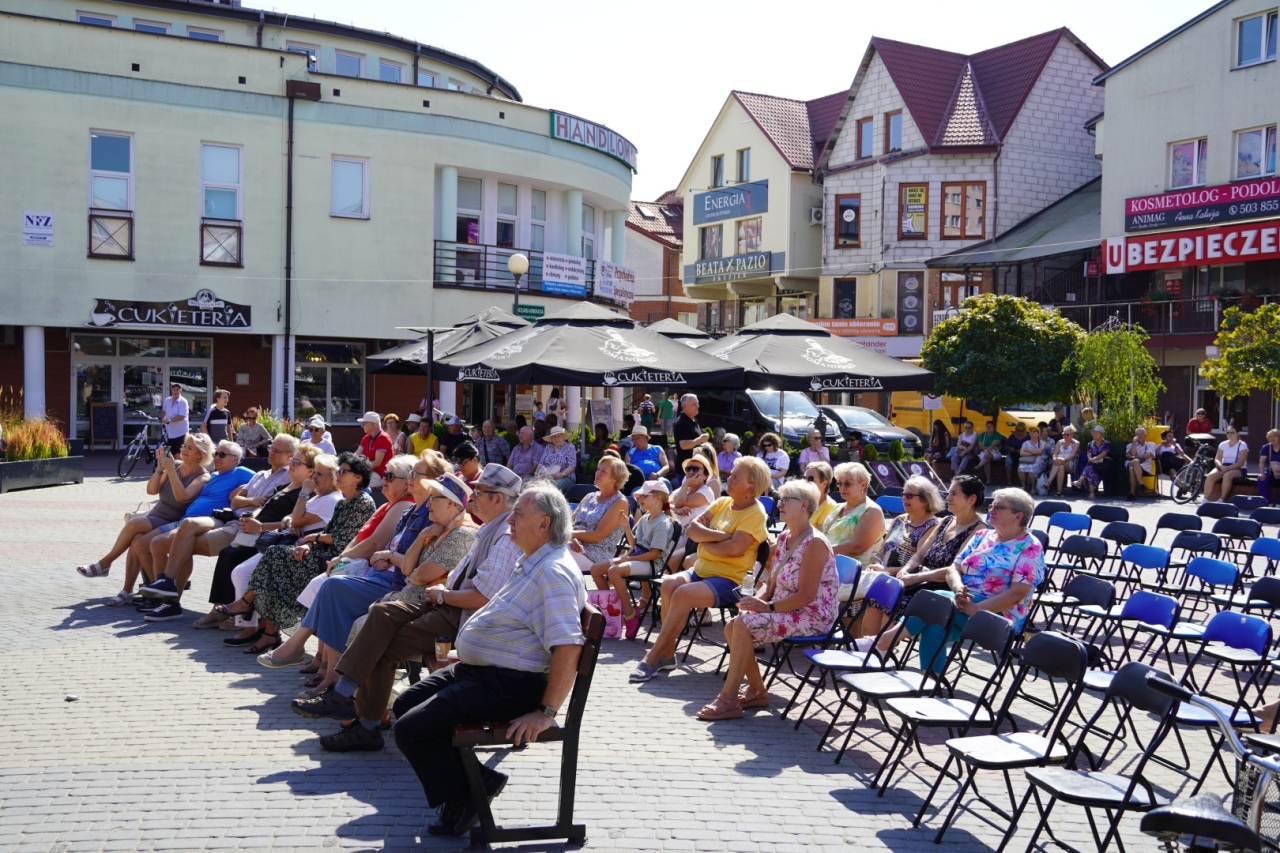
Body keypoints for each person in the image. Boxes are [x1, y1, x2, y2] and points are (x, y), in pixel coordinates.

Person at [390, 485, 587, 838]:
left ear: (544, 523)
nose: (509, 520)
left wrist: (545, 713)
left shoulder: (553, 573)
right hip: (483, 673)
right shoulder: (534, 559)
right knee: (405, 705)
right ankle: (477, 783)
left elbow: (568, 647)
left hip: (509, 685)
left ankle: (468, 794)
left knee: (412, 729)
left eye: (518, 515)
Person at [289, 463, 525, 752]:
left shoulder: (497, 536)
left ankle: (358, 716)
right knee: (379, 615)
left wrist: (441, 594)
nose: (472, 497)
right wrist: (424, 549)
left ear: (497, 499)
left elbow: (480, 597)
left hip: (461, 616)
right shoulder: (485, 530)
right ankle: (347, 700)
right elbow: (414, 572)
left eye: (479, 491)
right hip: (439, 602)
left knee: (379, 640)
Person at [259, 473, 476, 673]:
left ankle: (321, 665)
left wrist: (389, 557)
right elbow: (408, 568)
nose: (428, 504)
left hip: (415, 600)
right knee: (331, 589)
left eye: (434, 498)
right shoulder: (435, 527)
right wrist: (420, 538)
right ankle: (327, 672)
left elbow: (415, 573)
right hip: (398, 590)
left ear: (451, 503)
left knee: (333, 589)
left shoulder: (460, 532)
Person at [696, 479, 838, 720]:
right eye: (780, 499)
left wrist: (767, 607)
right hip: (785, 609)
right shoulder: (785, 537)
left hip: (812, 617)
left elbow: (806, 596)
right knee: (734, 625)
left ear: (804, 505)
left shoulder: (814, 543)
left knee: (741, 626)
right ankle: (757, 691)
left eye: (786, 500)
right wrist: (753, 604)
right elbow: (771, 585)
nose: (779, 504)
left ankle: (728, 699)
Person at [630, 457, 770, 683]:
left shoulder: (755, 514)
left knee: (682, 594)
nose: (728, 479)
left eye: (735, 477)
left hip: (730, 580)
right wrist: (723, 537)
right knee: (669, 584)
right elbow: (693, 530)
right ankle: (667, 656)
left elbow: (734, 550)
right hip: (702, 570)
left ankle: (652, 657)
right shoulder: (723, 503)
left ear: (750, 487)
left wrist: (707, 541)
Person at [225, 454, 376, 649]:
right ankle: (266, 629)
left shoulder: (362, 502)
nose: (338, 475)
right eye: (338, 471)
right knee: (274, 560)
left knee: (275, 559)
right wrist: (308, 544)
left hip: (335, 559)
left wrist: (312, 538)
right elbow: (318, 528)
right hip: (319, 552)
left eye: (343, 472)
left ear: (357, 477)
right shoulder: (343, 502)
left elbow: (343, 539)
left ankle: (250, 607)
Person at [197, 443, 326, 629]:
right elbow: (263, 507)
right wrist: (252, 517)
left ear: (310, 471)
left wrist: (260, 527)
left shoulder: (306, 494)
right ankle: (220, 608)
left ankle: (239, 617)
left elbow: (292, 522)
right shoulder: (284, 486)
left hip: (272, 538)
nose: (291, 464)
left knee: (232, 557)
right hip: (255, 534)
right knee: (227, 553)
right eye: (292, 460)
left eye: (297, 462)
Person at [78, 433, 214, 595]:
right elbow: (151, 490)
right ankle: (129, 590)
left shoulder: (202, 476)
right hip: (157, 515)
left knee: (135, 523)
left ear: (200, 454)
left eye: (190, 448)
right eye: (184, 446)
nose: (184, 450)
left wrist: (171, 470)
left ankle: (105, 563)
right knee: (136, 539)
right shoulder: (175, 465)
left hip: (173, 521)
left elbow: (182, 497)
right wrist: (160, 469)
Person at [856, 476, 943, 639]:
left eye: (909, 495)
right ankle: (864, 646)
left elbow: (919, 565)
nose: (904, 498)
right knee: (865, 597)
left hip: (908, 584)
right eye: (903, 494)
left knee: (882, 597)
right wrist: (875, 565)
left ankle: (879, 648)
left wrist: (886, 570)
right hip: (883, 578)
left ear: (925, 501)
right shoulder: (899, 520)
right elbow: (881, 551)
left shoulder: (933, 527)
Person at [590, 479, 676, 640]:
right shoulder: (645, 518)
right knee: (596, 569)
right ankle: (613, 611)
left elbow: (654, 554)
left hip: (651, 564)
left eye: (645, 496)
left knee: (614, 571)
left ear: (658, 498)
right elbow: (634, 544)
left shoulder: (663, 523)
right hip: (638, 558)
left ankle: (629, 615)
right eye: (640, 497)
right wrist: (626, 526)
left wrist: (627, 558)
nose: (640, 499)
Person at [567, 457, 629, 572]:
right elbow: (570, 522)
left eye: (603, 471)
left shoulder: (619, 502)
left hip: (596, 556)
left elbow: (597, 535)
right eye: (598, 469)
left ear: (616, 478)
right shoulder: (589, 496)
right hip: (573, 545)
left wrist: (569, 535)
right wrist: (573, 538)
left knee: (549, 554)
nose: (597, 473)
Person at [821, 462, 886, 569]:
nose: (842, 488)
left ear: (863, 485)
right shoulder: (838, 507)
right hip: (827, 563)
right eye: (839, 483)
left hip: (853, 571)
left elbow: (857, 547)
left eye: (848, 484)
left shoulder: (871, 511)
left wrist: (819, 551)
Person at [670, 453, 717, 532]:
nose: (691, 472)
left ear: (705, 476)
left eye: (695, 469)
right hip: (675, 532)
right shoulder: (683, 489)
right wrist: (675, 509)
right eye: (688, 469)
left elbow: (679, 503)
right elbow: (664, 504)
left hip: (691, 536)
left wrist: (686, 483)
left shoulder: (706, 492)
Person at [1204, 426, 1249, 503]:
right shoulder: (1223, 444)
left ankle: (1222, 499)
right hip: (1224, 466)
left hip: (1238, 468)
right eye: (1228, 432)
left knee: (1227, 475)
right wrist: (1221, 467)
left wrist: (1227, 469)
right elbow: (1217, 459)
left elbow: (1241, 462)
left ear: (1237, 434)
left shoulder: (1242, 445)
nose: (1230, 434)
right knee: (1210, 476)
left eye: (1232, 432)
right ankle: (1205, 500)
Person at [672, 394, 710, 481]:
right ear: (685, 406)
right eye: (694, 404)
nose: (698, 406)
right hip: (686, 470)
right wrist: (700, 439)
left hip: (696, 468)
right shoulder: (681, 422)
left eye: (697, 403)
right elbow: (684, 445)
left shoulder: (693, 420)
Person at [357, 411, 393, 491]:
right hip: (370, 472)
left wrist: (359, 468)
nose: (362, 426)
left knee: (354, 482)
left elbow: (377, 462)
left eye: (364, 423)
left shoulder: (383, 437)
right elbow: (356, 454)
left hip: (381, 475)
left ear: (371, 425)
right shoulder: (366, 437)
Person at [537, 426, 576, 493]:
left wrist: (561, 474)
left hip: (566, 478)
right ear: (551, 439)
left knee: (552, 485)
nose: (556, 439)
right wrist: (536, 474)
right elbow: (541, 463)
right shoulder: (548, 447)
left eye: (558, 436)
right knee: (530, 482)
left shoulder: (569, 447)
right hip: (547, 477)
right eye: (554, 437)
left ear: (563, 437)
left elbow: (572, 466)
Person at [1079, 425, 1112, 499]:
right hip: (1093, 463)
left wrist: (1095, 458)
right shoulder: (1090, 444)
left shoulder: (1106, 443)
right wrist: (1090, 459)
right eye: (1094, 433)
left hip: (1104, 463)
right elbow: (1089, 453)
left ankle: (1080, 481)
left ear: (1101, 434)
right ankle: (1092, 493)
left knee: (1089, 468)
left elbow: (1104, 453)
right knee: (1090, 469)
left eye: (1096, 433)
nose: (1094, 434)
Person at [1125, 427, 1158, 499]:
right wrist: (1134, 442)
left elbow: (1147, 455)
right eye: (1138, 434)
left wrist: (1134, 457)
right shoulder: (1130, 445)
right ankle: (1141, 484)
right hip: (1132, 464)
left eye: (1141, 434)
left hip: (1144, 466)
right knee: (1134, 463)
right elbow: (1133, 453)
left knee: (1133, 466)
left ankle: (1132, 493)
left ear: (1145, 435)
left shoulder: (1150, 444)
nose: (1139, 436)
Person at [1047, 425, 1079, 497]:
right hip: (1059, 462)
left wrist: (1063, 460)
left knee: (1060, 463)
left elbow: (1072, 455)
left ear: (1072, 435)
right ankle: (1059, 492)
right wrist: (1054, 458)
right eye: (1064, 434)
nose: (1065, 436)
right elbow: (1055, 454)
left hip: (1070, 462)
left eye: (1067, 435)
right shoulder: (1059, 442)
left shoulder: (1076, 443)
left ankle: (1049, 481)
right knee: (1060, 467)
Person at [804, 461, 838, 528]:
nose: (805, 483)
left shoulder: (830, 507)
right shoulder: (802, 502)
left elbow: (818, 533)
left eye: (810, 479)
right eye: (805, 479)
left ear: (824, 483)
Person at [160, 383, 190, 455]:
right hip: (169, 433)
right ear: (171, 390)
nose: (175, 391)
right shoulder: (167, 400)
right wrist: (163, 420)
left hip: (181, 433)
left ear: (180, 391)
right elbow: (164, 411)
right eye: (174, 390)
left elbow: (181, 417)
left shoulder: (183, 402)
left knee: (179, 454)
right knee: (169, 454)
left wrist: (169, 420)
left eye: (177, 390)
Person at [1016, 425, 1048, 491]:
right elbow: (1021, 453)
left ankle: (1033, 487)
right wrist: (1034, 452)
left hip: (1038, 462)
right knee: (1021, 468)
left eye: (1034, 431)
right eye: (1031, 431)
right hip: (1027, 461)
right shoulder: (1025, 443)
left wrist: (1027, 450)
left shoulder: (1042, 443)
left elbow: (1040, 451)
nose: (1032, 433)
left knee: (1031, 469)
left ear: (1038, 434)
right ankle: (1024, 486)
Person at [1257, 429, 1280, 505]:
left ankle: (1279, 504)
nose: (1272, 438)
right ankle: (1267, 502)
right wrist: (1262, 473)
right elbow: (1262, 461)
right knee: (1261, 480)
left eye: (1274, 436)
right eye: (1270, 437)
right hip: (1270, 470)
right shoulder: (1266, 447)